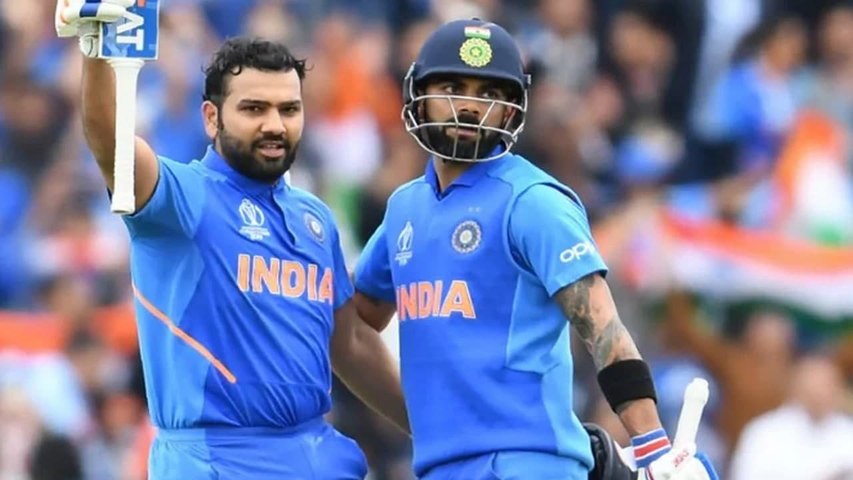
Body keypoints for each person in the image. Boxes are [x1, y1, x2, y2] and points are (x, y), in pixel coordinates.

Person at [352, 18, 719, 480]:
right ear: (418, 95)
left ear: (511, 111)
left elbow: (606, 334)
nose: (470, 107)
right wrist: (417, 421)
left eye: (489, 93)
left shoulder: (533, 201)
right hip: (441, 467)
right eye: (452, 87)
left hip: (527, 462)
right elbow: (353, 328)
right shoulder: (404, 210)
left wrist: (653, 448)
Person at [55, 2, 408, 478]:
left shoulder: (315, 219)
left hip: (317, 454)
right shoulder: (182, 198)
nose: (274, 125)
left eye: (289, 109)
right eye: (254, 108)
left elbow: (351, 343)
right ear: (211, 117)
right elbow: (109, 140)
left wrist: (437, 433)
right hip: (215, 459)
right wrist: (99, 48)